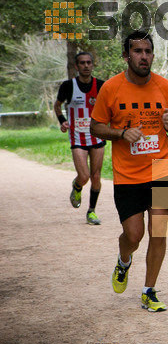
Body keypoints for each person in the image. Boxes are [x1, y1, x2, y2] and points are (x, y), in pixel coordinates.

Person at [90, 31, 168, 312]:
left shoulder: (164, 87)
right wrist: (120, 133)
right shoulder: (111, 88)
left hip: (161, 168)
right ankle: (124, 260)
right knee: (133, 235)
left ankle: (149, 291)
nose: (144, 56)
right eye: (138, 51)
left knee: (159, 231)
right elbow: (96, 127)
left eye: (148, 51)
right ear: (126, 55)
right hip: (128, 175)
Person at [54, 52, 105, 225]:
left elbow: (109, 107)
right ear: (76, 66)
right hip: (77, 137)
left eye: (89, 62)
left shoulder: (101, 85)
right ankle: (77, 187)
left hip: (97, 136)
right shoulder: (68, 86)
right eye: (82, 63)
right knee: (84, 176)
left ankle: (91, 211)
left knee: (96, 176)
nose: (86, 66)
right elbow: (57, 105)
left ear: (92, 65)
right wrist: (62, 121)